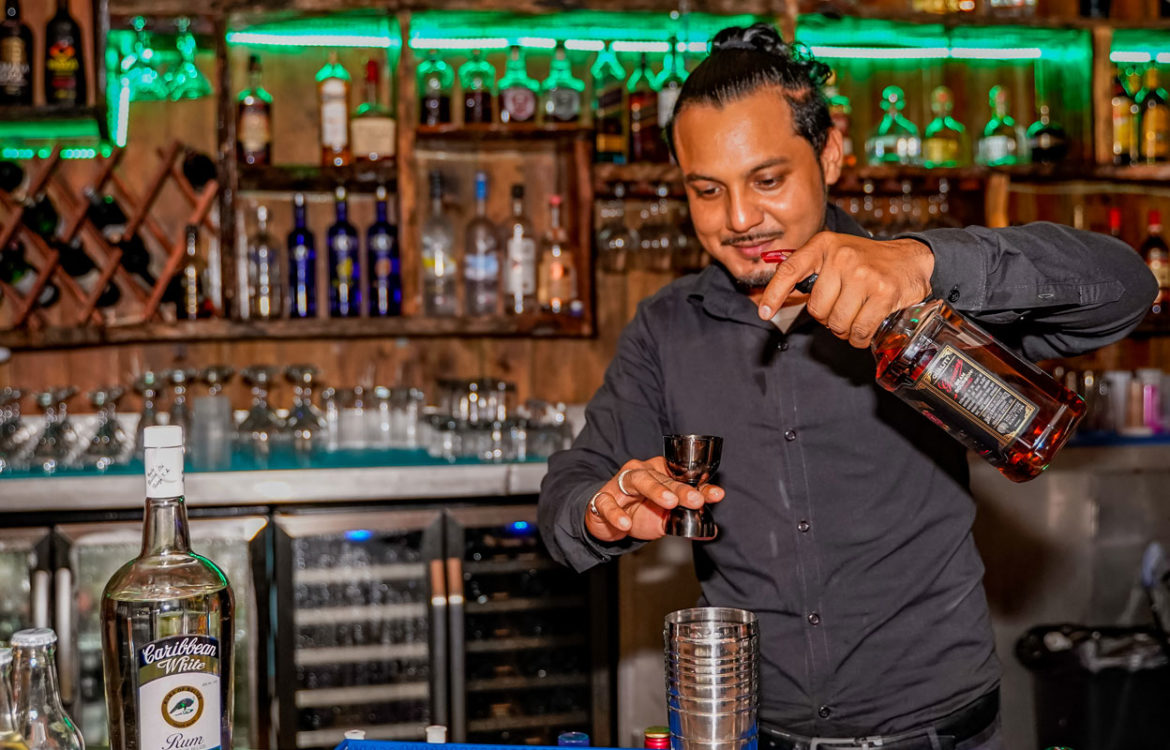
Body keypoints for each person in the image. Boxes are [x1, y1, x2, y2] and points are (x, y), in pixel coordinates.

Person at [537, 22, 1158, 750]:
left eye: (767, 180)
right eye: (707, 190)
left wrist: (924, 263)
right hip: (759, 735)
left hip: (941, 736)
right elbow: (564, 501)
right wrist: (602, 510)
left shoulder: (925, 288)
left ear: (830, 152)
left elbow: (1127, 287)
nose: (739, 220)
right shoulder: (667, 330)